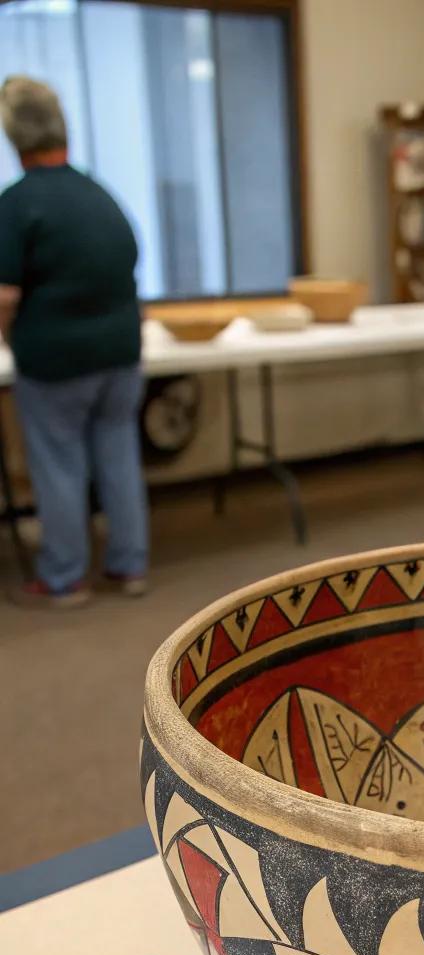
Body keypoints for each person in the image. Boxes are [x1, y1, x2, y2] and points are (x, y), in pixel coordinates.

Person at [0, 75, 149, 608]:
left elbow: (5, 294)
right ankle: (129, 565)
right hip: (120, 356)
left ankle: (64, 577)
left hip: (56, 362)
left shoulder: (18, 204)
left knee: (59, 466)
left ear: (14, 137)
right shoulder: (99, 194)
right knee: (118, 456)